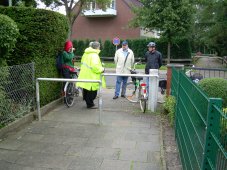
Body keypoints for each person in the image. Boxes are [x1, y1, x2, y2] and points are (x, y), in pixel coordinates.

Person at [77, 41, 106, 109]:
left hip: (85, 74)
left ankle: (88, 103)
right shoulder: (94, 55)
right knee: (92, 92)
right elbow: (95, 67)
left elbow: (82, 63)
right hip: (92, 76)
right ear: (97, 47)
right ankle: (90, 104)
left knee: (86, 90)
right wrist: (102, 69)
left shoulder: (86, 54)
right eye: (99, 47)